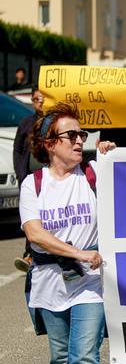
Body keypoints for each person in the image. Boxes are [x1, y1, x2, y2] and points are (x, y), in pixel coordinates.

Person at [19, 102, 116, 364]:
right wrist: (77, 253)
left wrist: (114, 156)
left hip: (90, 283)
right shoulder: (33, 184)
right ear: (50, 143)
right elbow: (35, 233)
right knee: (60, 359)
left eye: (81, 135)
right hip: (50, 282)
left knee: (85, 357)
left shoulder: (94, 172)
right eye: (70, 135)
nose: (79, 140)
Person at [13, 86, 45, 271]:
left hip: (49, 178)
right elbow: (18, 150)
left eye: (42, 98)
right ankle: (29, 255)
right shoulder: (26, 123)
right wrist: (20, 174)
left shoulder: (54, 122)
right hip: (30, 178)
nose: (39, 102)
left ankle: (39, 254)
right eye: (36, 99)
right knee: (31, 218)